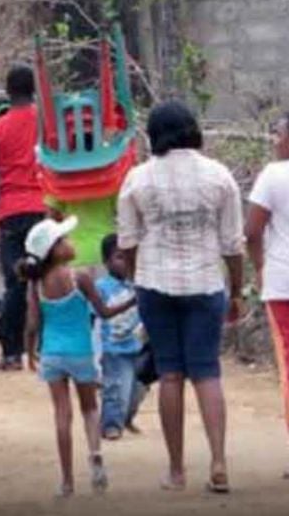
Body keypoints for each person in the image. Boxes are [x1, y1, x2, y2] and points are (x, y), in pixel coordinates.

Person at [116, 99, 244, 493]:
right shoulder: (219, 176)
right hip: (205, 284)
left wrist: (140, 279)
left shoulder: (137, 178)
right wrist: (236, 292)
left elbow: (128, 241)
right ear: (193, 130)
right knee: (206, 372)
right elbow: (232, 246)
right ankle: (219, 463)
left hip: (156, 284)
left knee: (170, 373)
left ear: (154, 135)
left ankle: (176, 470)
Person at [20, 217, 133, 497]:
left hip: (52, 355)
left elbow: (33, 323)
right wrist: (134, 300)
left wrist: (30, 352)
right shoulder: (79, 277)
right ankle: (95, 457)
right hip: (81, 352)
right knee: (89, 409)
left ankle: (67, 481)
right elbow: (104, 312)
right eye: (64, 240)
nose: (70, 243)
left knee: (62, 413)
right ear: (55, 250)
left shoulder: (36, 285)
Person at [0, 65, 49, 371]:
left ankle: (11, 353)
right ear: (34, 89)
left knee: (15, 283)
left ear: (8, 90)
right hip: (46, 208)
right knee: (48, 279)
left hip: (12, 212)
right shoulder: (48, 124)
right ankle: (47, 346)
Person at [245, 110, 289, 478]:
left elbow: (253, 230)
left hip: (283, 283)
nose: (275, 140)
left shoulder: (274, 176)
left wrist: (260, 269)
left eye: (278, 134)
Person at [95, 234, 146, 440]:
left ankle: (126, 417)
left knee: (137, 390)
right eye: (119, 257)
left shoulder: (138, 283)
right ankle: (111, 424)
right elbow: (97, 318)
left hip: (138, 345)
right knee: (116, 388)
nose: (126, 262)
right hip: (114, 347)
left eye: (129, 256)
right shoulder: (101, 287)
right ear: (106, 262)